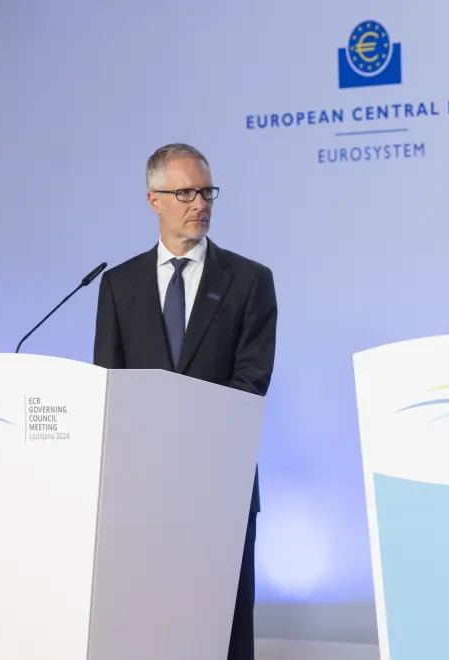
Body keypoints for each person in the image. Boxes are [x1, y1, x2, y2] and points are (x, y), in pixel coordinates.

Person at [94, 142, 277, 660]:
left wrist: (195, 439)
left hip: (221, 480)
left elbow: (252, 380)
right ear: (154, 199)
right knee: (148, 626)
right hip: (144, 490)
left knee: (226, 628)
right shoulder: (118, 285)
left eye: (206, 192)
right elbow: (109, 385)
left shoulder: (249, 281)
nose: (200, 203)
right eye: (185, 193)